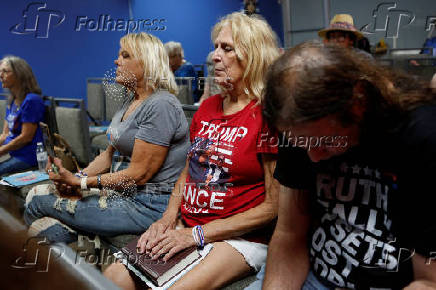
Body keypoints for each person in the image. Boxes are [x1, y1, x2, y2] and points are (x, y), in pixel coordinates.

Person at [104, 12, 280, 289]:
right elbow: (188, 173)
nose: (215, 56)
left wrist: (196, 235)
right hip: (189, 224)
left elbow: (272, 207)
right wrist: (166, 219)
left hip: (239, 238)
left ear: (253, 55)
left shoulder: (268, 114)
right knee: (111, 279)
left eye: (227, 48)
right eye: (215, 47)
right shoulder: (208, 108)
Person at [256, 41, 436, 289]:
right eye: (302, 144)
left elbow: (429, 281)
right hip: (315, 274)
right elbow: (289, 233)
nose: (314, 158)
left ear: (358, 104)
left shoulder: (421, 136)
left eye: (326, 143)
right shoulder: (297, 126)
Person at [24, 32, 190, 244]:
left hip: (148, 205)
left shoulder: (161, 105)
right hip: (124, 195)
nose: (116, 61)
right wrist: (77, 178)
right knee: (44, 196)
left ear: (147, 63)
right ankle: (75, 248)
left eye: (125, 55)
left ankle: (45, 267)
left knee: (38, 202)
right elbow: (108, 155)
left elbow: (138, 175)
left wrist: (82, 182)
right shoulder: (131, 100)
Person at [0, 56, 45, 175]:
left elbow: (26, 137)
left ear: (19, 74)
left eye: (5, 71)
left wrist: (1, 151)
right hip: (12, 153)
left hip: (28, 158)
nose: (1, 75)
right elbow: (5, 134)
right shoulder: (12, 100)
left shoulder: (31, 100)